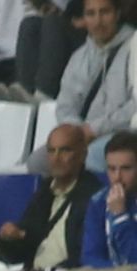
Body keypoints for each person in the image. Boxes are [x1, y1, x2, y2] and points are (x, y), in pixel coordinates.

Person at [37, 129, 137, 271]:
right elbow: (90, 257)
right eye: (111, 169)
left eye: (126, 169)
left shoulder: (118, 206)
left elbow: (134, 260)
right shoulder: (98, 201)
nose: (117, 177)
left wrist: (120, 217)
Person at [0, 126, 96, 271]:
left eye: (65, 150)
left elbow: (85, 255)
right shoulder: (44, 192)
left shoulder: (93, 195)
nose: (56, 158)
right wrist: (10, 238)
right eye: (51, 151)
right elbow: (23, 248)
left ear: (82, 155)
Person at [49, 0, 134, 169]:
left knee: (92, 157)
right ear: (84, 18)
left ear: (117, 14)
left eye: (104, 12)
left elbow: (134, 106)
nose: (98, 21)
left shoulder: (134, 48)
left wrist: (94, 129)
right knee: (38, 162)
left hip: (124, 134)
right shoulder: (78, 57)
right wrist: (78, 132)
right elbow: (65, 106)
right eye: (91, 14)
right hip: (81, 136)